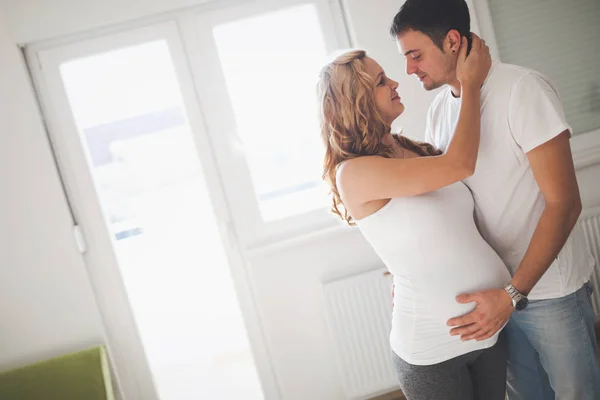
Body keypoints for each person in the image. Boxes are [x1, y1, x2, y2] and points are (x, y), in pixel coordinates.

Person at [389, 0, 600, 399]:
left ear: (452, 41)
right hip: (490, 296)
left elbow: (565, 204)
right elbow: (447, 202)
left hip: (549, 292)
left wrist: (513, 294)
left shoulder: (522, 90)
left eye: (415, 55)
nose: (409, 70)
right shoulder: (439, 112)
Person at [318, 35, 510, 400]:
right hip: (433, 351)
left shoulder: (408, 149)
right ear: (355, 103)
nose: (395, 83)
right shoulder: (353, 173)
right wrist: (469, 83)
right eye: (380, 82)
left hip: (488, 328)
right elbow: (460, 163)